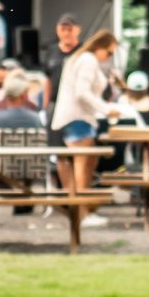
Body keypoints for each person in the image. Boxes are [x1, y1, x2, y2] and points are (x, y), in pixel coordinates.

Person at [52, 28, 120, 197]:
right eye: (109, 53)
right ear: (100, 47)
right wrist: (106, 109)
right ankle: (81, 209)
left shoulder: (81, 59)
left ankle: (82, 207)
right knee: (81, 165)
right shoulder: (88, 60)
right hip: (79, 118)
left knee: (85, 163)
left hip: (80, 118)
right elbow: (82, 92)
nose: (109, 57)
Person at [40, 13, 82, 132]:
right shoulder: (52, 51)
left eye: (70, 29)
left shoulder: (83, 52)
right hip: (55, 104)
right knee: (54, 141)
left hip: (76, 107)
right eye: (63, 29)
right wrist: (45, 107)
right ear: (58, 31)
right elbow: (47, 80)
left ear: (78, 30)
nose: (67, 33)